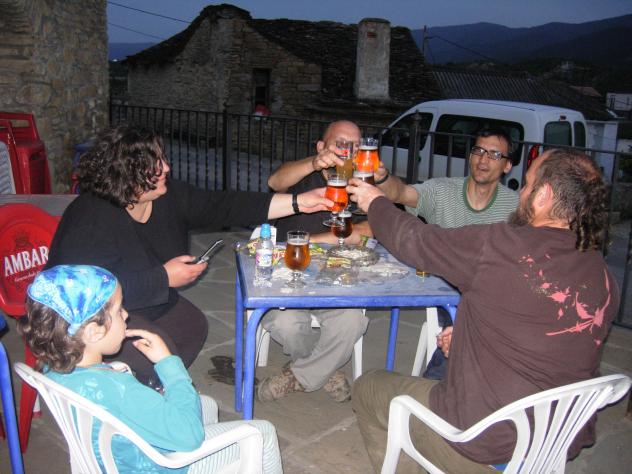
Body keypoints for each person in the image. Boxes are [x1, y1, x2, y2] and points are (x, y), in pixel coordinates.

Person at [348, 148, 618, 472]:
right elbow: (545, 337)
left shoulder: (502, 246)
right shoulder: (602, 275)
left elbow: (416, 240)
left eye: (527, 184)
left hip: (480, 446)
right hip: (553, 444)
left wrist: (375, 202)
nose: (521, 193)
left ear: (544, 195)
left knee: (369, 388)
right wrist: (465, 339)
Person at [46, 124, 330, 387]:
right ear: (128, 173)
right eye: (155, 163)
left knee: (192, 326)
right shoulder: (90, 218)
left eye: (162, 158)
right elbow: (78, 295)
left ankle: (149, 385)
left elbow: (225, 205)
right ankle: (127, 392)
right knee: (163, 352)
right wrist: (163, 278)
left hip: (143, 302)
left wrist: (299, 202)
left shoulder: (167, 197)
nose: (166, 167)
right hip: (91, 321)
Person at [18, 265, 282, 473]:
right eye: (118, 310)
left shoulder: (53, 366)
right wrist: (168, 363)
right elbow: (189, 436)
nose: (126, 315)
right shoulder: (120, 389)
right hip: (158, 465)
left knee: (207, 405)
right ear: (93, 332)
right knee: (262, 432)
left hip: (111, 458)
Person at [376, 128, 519, 377]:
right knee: (467, 324)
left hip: (491, 294)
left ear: (507, 165)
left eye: (494, 154)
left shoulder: (516, 207)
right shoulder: (442, 191)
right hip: (447, 289)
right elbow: (400, 193)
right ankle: (437, 386)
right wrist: (382, 178)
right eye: (479, 151)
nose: (483, 159)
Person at [256, 120, 371, 403]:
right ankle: (325, 372)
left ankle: (299, 375)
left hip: (337, 276)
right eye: (340, 143)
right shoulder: (304, 174)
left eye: (355, 145)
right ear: (322, 147)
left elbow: (369, 230)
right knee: (285, 322)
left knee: (353, 322)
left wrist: (312, 241)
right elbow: (275, 182)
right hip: (289, 272)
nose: (348, 151)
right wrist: (313, 163)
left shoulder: (363, 185)